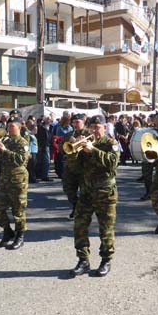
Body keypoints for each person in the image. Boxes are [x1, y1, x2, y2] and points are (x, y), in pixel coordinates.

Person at [71, 114, 120, 278]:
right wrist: (73, 151)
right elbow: (74, 168)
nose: (94, 130)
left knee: (105, 228)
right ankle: (83, 260)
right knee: (79, 225)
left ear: (105, 128)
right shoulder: (84, 142)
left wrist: (93, 150)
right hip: (86, 191)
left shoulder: (111, 143)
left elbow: (111, 163)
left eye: (97, 127)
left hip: (105, 192)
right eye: (91, 127)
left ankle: (106, 259)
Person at [0, 116, 30, 250]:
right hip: (4, 179)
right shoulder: (6, 141)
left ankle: (20, 235)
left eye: (12, 127)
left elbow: (21, 160)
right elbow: (0, 160)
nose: (9, 129)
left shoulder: (23, 143)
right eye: (8, 126)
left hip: (18, 180)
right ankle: (7, 231)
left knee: (18, 209)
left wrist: (5, 151)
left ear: (19, 128)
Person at [61, 113, 89, 219]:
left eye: (77, 122)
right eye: (73, 122)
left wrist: (82, 143)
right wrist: (69, 143)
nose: (75, 124)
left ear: (83, 122)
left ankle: (82, 211)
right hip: (70, 167)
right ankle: (75, 205)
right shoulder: (69, 135)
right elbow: (61, 149)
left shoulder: (88, 133)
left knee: (84, 191)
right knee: (68, 189)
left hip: (84, 167)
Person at [140, 114, 158, 201]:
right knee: (146, 174)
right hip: (151, 154)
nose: (157, 120)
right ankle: (148, 192)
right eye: (155, 119)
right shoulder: (150, 130)